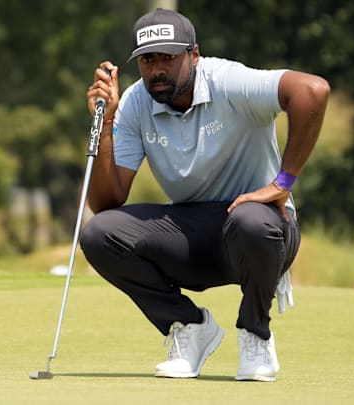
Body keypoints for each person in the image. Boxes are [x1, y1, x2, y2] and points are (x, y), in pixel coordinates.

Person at [81, 8, 330, 382]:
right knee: (98, 232)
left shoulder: (228, 81)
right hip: (191, 235)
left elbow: (313, 91)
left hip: (261, 230)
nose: (157, 69)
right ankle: (190, 326)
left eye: (168, 57)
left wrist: (282, 184)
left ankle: (255, 334)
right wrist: (106, 124)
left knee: (250, 221)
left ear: (194, 55)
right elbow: (106, 203)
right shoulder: (134, 103)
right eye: (148, 60)